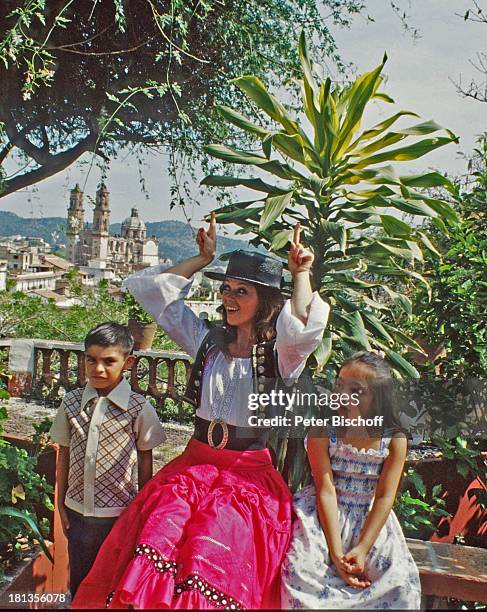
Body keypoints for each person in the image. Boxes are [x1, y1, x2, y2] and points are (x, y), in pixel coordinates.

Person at [72, 214, 329, 609]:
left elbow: (306, 326)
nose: (228, 297)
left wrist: (301, 273)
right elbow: (156, 293)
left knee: (213, 560)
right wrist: (201, 259)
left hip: (248, 478)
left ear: (264, 300)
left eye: (241, 291)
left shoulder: (281, 356)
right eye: (226, 289)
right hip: (193, 467)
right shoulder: (207, 342)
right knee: (158, 543)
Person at [281, 351, 421, 609]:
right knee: (301, 573)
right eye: (339, 386)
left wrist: (363, 548)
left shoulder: (393, 439)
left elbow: (384, 496)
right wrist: (335, 553)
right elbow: (326, 490)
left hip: (370, 523)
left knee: (399, 586)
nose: (343, 396)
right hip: (324, 518)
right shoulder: (323, 431)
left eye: (356, 390)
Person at [49, 322, 166, 598]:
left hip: (118, 516)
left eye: (109, 361)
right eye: (92, 360)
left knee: (113, 582)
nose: (98, 369)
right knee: (79, 580)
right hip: (77, 513)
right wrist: (61, 504)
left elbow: (145, 466)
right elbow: (63, 454)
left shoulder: (138, 408)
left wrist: (139, 513)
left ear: (128, 362)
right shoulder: (72, 402)